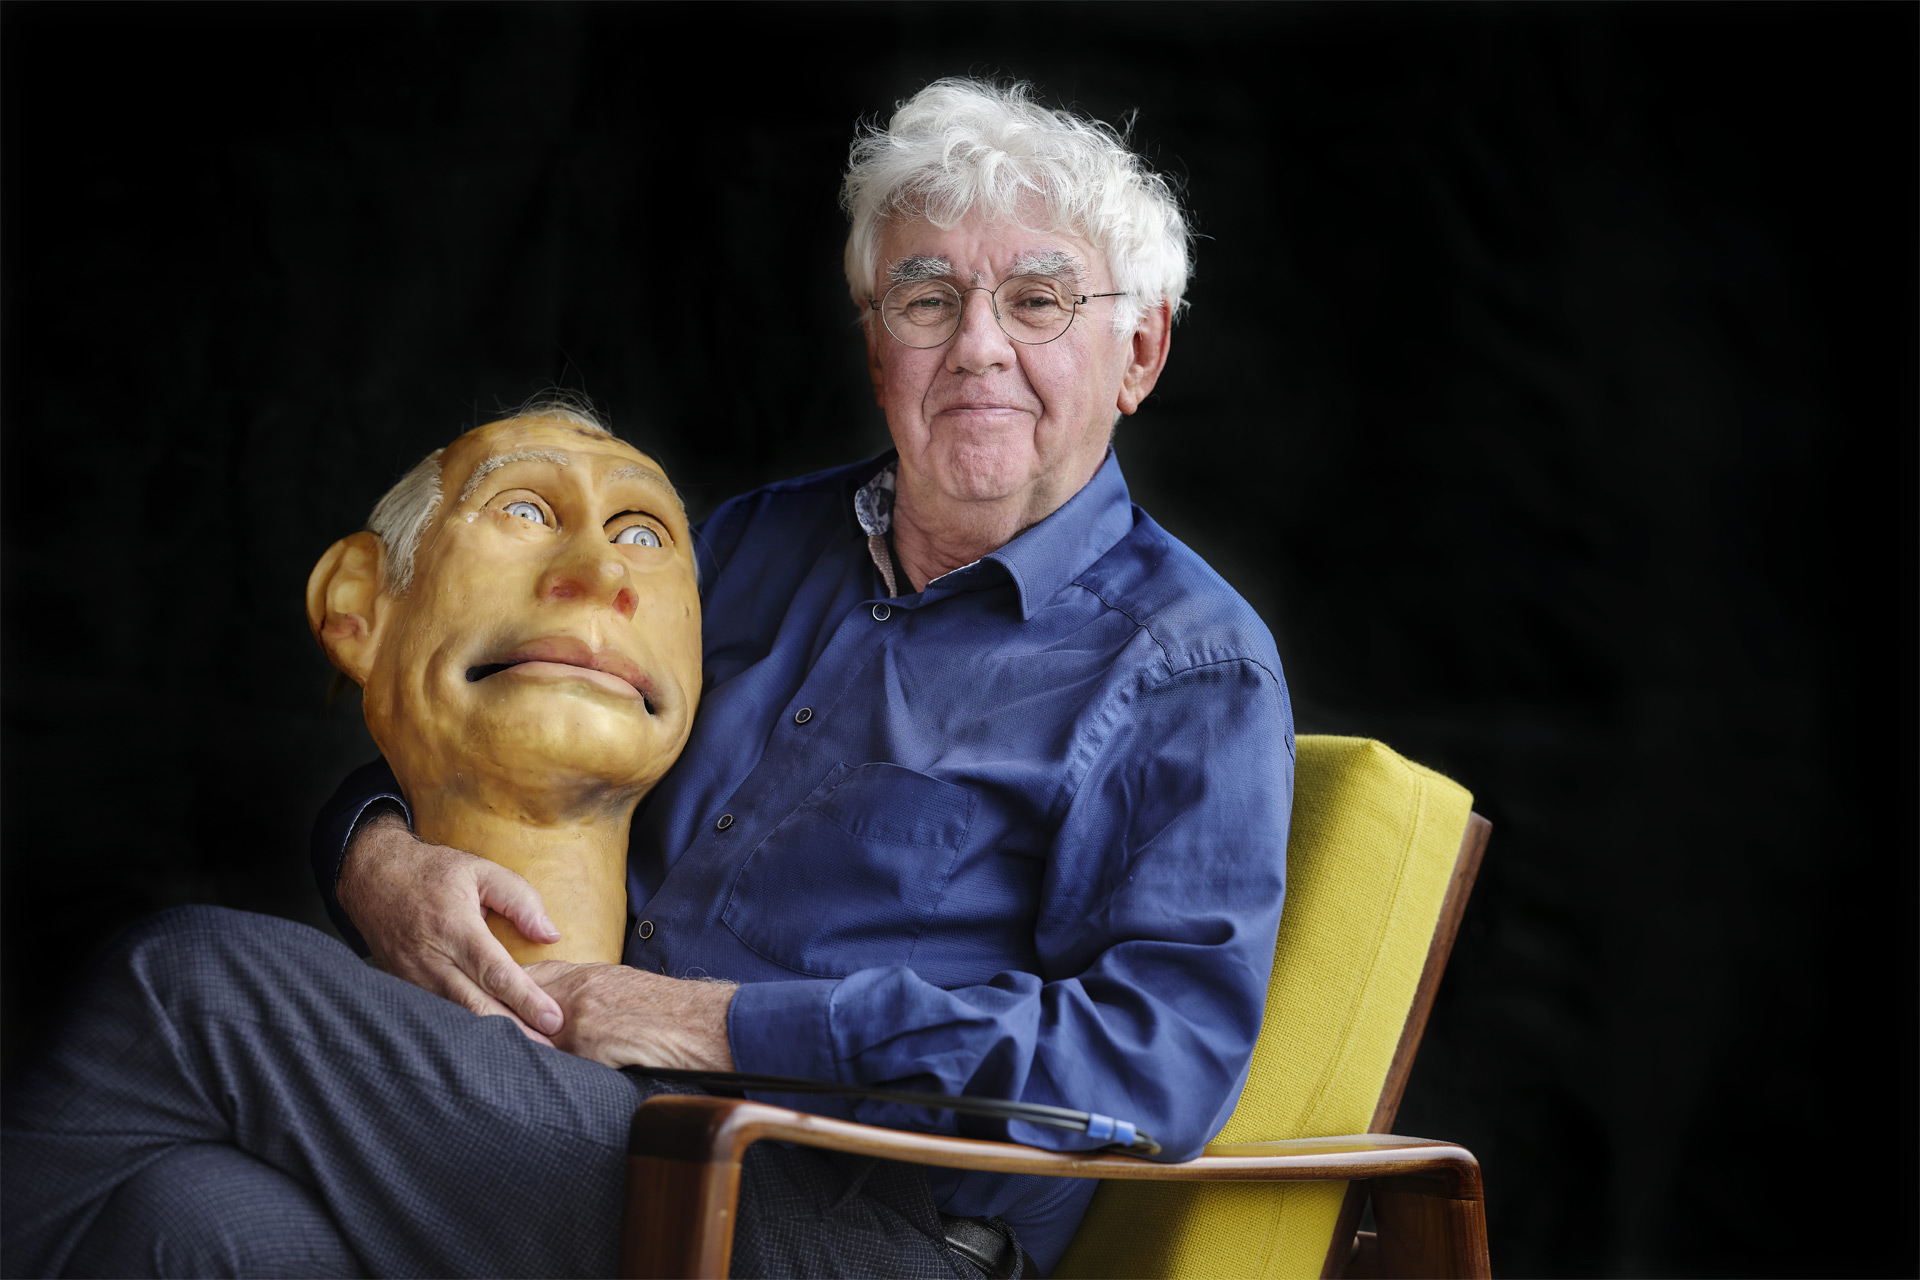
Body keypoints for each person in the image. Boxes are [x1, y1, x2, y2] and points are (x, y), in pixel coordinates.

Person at [3, 78, 1291, 1278]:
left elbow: (1150, 1069)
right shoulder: (744, 547)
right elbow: (491, 737)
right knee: (196, 1225)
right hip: (581, 1122)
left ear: (1139, 352)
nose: (977, 346)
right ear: (875, 343)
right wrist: (375, 859)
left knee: (186, 978)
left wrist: (707, 1023)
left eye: (1040, 300)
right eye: (926, 298)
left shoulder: (1188, 666)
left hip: (852, 1220)